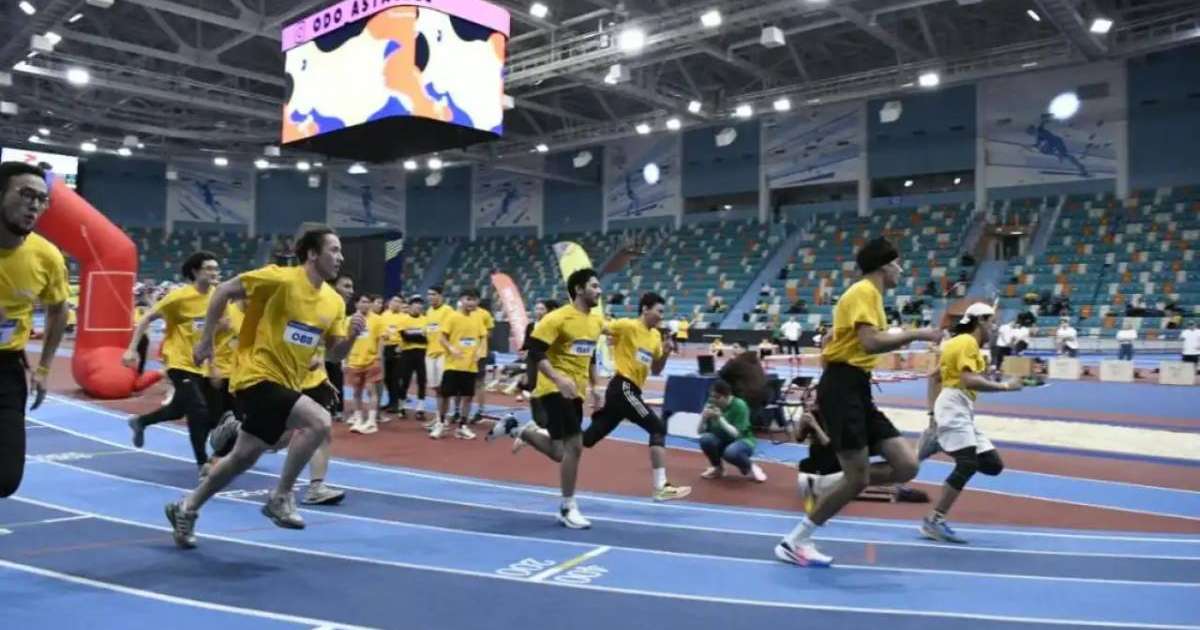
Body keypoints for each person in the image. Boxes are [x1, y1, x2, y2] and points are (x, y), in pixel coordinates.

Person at [165, 227, 361, 549]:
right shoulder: (280, 279)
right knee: (319, 422)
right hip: (255, 375)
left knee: (243, 457)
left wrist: (351, 336)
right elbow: (224, 291)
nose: (340, 258)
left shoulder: (334, 303)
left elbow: (334, 353)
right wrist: (206, 341)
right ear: (312, 253)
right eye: (334, 250)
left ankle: (186, 507)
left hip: (287, 383)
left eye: (341, 252)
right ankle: (281, 496)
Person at [777, 237, 939, 567]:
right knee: (858, 478)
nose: (900, 269)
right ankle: (796, 540)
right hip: (842, 387)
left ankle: (833, 484)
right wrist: (917, 334)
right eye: (897, 263)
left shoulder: (871, 296)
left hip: (858, 388)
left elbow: (859, 342)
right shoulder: (864, 292)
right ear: (883, 264)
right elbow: (869, 343)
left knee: (906, 466)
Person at [496, 269, 604, 528]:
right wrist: (557, 378)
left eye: (599, 286)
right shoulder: (557, 318)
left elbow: (589, 356)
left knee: (559, 452)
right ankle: (568, 507)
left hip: (575, 392)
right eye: (594, 286)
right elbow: (534, 349)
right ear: (578, 289)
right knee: (575, 446)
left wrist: (596, 387)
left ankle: (519, 431)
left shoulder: (596, 322)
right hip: (553, 389)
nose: (599, 291)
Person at [569, 292, 690, 501]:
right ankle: (661, 486)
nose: (661, 316)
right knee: (657, 428)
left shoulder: (654, 337)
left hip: (627, 392)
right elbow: (602, 327)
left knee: (587, 439)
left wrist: (667, 351)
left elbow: (657, 370)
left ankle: (537, 432)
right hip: (623, 387)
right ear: (645, 309)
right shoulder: (627, 326)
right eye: (659, 311)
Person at [922, 303, 1022, 543]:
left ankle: (940, 442)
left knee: (992, 464)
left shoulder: (956, 343)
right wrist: (1006, 386)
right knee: (966, 464)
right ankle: (934, 520)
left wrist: (932, 414)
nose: (994, 327)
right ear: (981, 321)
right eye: (992, 321)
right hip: (955, 405)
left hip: (959, 407)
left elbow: (934, 377)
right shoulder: (967, 343)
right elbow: (968, 380)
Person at [0, 162, 69, 498]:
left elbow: (58, 308)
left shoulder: (47, 257)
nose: (34, 205)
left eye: (42, 199)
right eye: (26, 194)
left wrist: (43, 368)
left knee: (6, 478)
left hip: (6, 369)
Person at [123, 251, 224, 471]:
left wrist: (214, 364)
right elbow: (147, 318)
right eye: (209, 268)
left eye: (216, 268)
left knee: (178, 410)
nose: (215, 272)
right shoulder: (179, 297)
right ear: (195, 272)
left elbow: (210, 334)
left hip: (201, 364)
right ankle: (202, 463)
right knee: (198, 410)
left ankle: (141, 422)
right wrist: (131, 349)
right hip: (178, 362)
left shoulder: (217, 297)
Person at [429, 288, 488, 440]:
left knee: (468, 397)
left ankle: (462, 426)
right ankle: (441, 424)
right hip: (452, 365)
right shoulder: (452, 317)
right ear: (461, 300)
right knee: (446, 395)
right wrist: (451, 348)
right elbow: (442, 338)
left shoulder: (478, 318)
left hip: (470, 366)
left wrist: (480, 352)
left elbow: (483, 337)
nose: (471, 302)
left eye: (474, 300)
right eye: (468, 299)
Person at [698, 379, 766, 482]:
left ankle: (751, 466)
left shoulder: (739, 405)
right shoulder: (711, 403)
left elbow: (736, 434)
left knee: (731, 452)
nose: (713, 400)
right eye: (711, 396)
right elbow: (699, 431)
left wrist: (719, 419)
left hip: (743, 440)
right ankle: (717, 468)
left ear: (726, 396)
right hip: (722, 439)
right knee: (705, 439)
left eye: (717, 397)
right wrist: (703, 418)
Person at [345, 294, 385, 434]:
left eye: (368, 302)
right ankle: (358, 419)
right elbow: (346, 341)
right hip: (355, 361)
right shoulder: (349, 320)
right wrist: (346, 360)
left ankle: (372, 421)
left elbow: (380, 339)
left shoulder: (377, 320)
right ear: (356, 304)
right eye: (363, 302)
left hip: (371, 360)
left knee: (371, 391)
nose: (366, 305)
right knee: (356, 392)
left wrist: (378, 357)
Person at [421, 285, 455, 430]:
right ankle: (438, 417)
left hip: (443, 354)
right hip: (430, 353)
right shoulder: (428, 311)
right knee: (435, 388)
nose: (431, 297)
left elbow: (452, 331)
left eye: (434, 294)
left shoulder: (448, 311)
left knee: (444, 388)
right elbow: (429, 329)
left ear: (441, 296)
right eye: (429, 294)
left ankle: (445, 418)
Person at [394, 295, 429, 418]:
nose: (418, 307)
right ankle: (401, 407)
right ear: (410, 307)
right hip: (407, 353)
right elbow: (405, 337)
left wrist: (415, 337)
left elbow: (427, 339)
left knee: (422, 380)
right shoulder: (403, 320)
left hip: (421, 353)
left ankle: (420, 409)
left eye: (420, 305)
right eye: (416, 305)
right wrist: (420, 337)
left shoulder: (426, 320)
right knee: (405, 380)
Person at [378, 295, 407, 414]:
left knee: (396, 377)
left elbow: (406, 335)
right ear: (390, 302)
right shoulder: (384, 315)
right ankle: (391, 401)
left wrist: (401, 346)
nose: (397, 303)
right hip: (385, 347)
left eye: (399, 302)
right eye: (395, 301)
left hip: (398, 348)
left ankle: (395, 403)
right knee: (387, 378)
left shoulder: (405, 317)